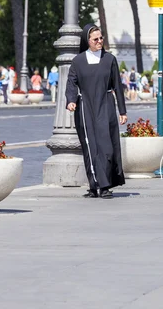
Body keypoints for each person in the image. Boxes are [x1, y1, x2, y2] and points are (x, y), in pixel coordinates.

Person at [66, 24, 127, 199]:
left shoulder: (110, 59)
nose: (100, 41)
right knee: (90, 147)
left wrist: (122, 111)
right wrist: (71, 101)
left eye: (101, 38)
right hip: (86, 107)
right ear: (88, 41)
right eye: (96, 39)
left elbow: (117, 86)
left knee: (106, 147)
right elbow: (71, 82)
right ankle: (95, 186)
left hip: (106, 105)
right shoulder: (78, 61)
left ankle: (106, 184)